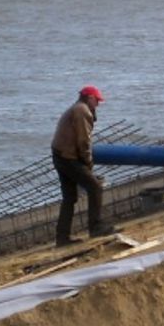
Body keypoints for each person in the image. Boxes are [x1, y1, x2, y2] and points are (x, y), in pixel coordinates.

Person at [51, 85, 115, 246]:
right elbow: (84, 141)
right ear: (90, 98)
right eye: (97, 101)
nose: (98, 104)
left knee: (69, 198)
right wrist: (88, 162)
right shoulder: (82, 111)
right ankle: (96, 227)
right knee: (95, 187)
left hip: (59, 155)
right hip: (68, 157)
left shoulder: (76, 108)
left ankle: (62, 238)